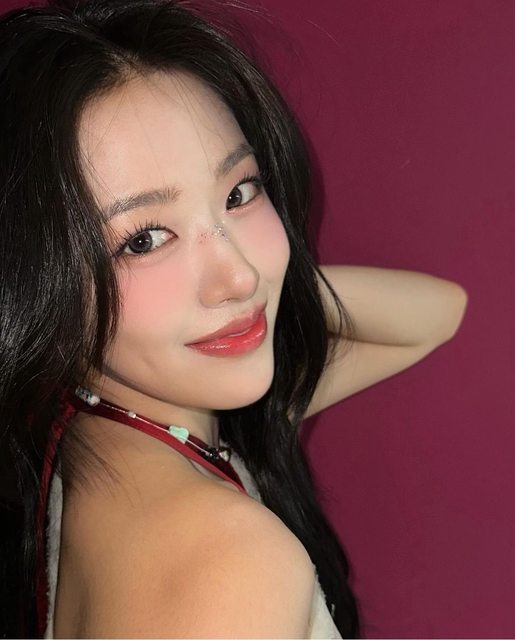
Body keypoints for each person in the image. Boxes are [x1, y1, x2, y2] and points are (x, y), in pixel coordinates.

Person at [0, 0, 468, 637]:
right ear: (32, 279)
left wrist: (275, 288)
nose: (238, 276)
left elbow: (437, 315)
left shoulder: (97, 436)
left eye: (238, 192)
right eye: (144, 239)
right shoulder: (229, 559)